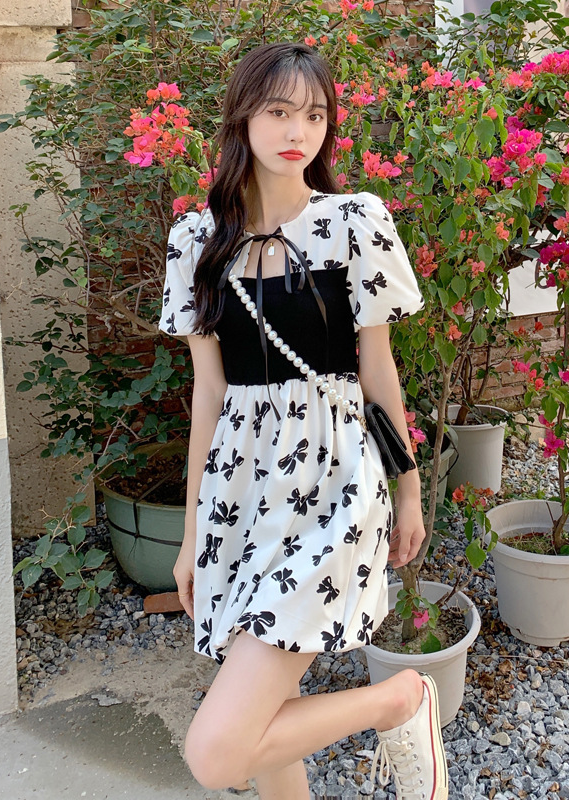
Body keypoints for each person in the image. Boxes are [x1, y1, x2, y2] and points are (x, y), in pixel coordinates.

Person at [159, 42, 448, 800]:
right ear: (242, 117)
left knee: (216, 754)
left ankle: (399, 700)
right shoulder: (196, 241)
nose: (298, 131)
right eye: (280, 111)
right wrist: (191, 535)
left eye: (315, 115)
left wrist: (408, 491)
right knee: (264, 713)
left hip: (336, 484)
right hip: (240, 491)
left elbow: (377, 373)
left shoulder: (354, 221)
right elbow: (209, 396)